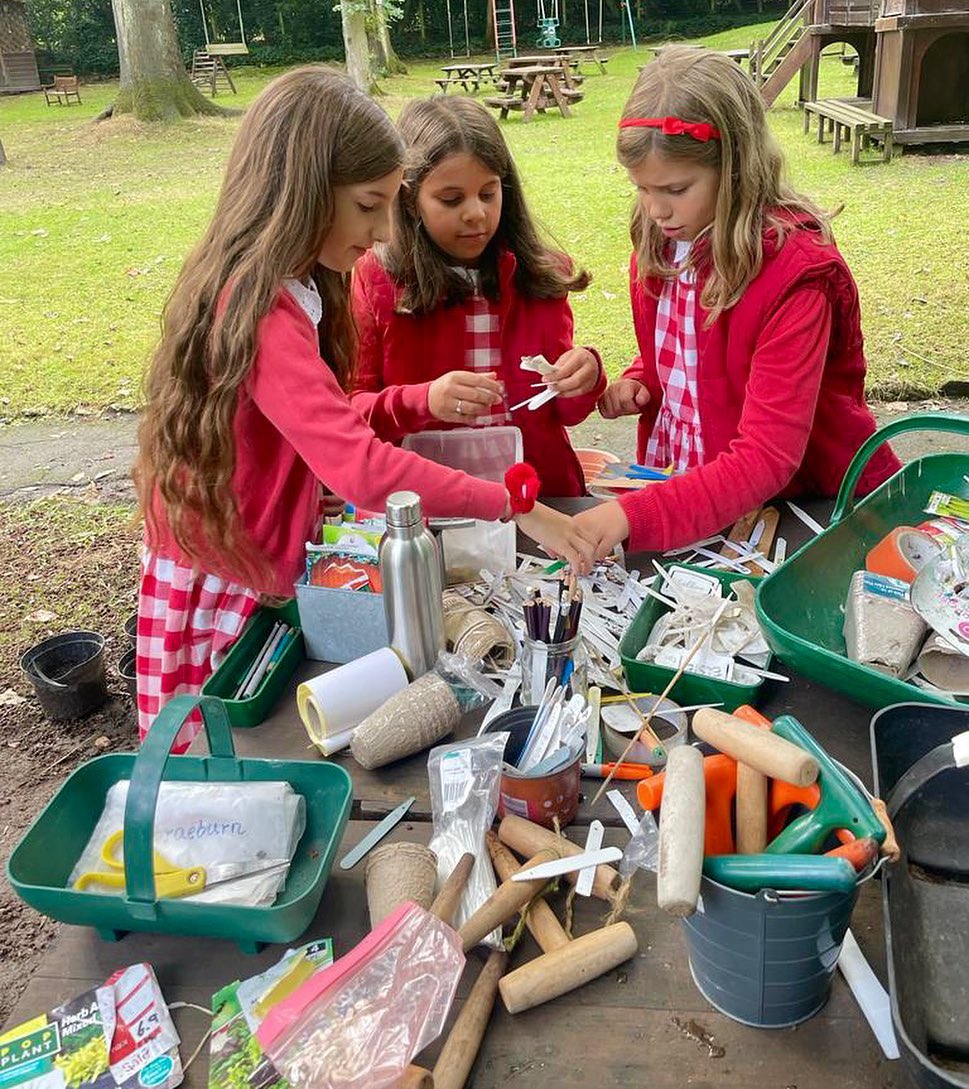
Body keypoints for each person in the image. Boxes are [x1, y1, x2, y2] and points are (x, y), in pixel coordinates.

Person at [133, 67, 595, 753]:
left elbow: (332, 423)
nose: (383, 230)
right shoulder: (261, 308)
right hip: (227, 574)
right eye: (369, 206)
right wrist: (515, 503)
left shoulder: (295, 284)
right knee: (221, 760)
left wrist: (411, 403)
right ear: (305, 191)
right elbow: (354, 463)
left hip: (256, 556)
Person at [575, 46, 900, 556]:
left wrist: (632, 516)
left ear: (735, 168)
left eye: (676, 188)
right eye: (642, 188)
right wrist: (643, 378)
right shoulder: (665, 242)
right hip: (693, 486)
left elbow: (768, 454)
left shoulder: (794, 279)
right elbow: (685, 344)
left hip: (799, 505)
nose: (656, 209)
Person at [350, 95, 606, 498]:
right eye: (451, 200)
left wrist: (584, 376)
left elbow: (565, 412)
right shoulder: (379, 281)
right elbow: (351, 414)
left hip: (540, 500)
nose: (476, 214)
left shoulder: (541, 276)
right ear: (411, 200)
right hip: (430, 508)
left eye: (488, 194)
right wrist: (423, 400)